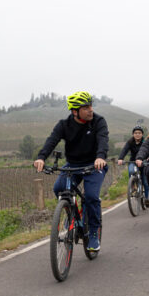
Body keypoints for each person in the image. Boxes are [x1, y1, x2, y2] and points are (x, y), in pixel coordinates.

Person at [34, 91, 109, 251]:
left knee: (91, 197)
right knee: (58, 188)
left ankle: (94, 233)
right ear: (75, 111)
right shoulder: (64, 125)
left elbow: (103, 139)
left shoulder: (98, 121)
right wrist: (41, 157)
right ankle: (71, 214)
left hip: (94, 166)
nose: (90, 110)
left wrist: (100, 157)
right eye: (86, 107)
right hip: (73, 165)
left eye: (91, 106)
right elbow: (52, 140)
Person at [117, 125, 149, 202]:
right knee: (131, 171)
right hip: (133, 161)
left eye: (139, 133)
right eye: (135, 133)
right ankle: (132, 186)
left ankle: (147, 198)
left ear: (142, 134)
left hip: (144, 162)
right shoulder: (130, 142)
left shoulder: (145, 142)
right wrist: (120, 158)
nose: (137, 134)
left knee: (145, 181)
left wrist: (148, 158)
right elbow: (124, 150)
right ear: (133, 134)